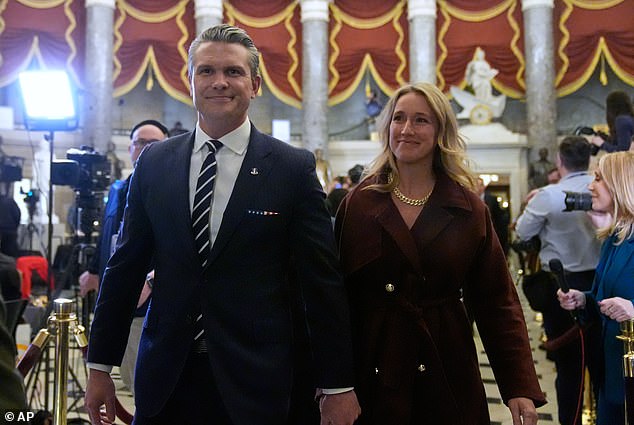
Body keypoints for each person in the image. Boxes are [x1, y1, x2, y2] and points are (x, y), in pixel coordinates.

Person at [85, 24, 359, 425]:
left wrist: (337, 385)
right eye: (207, 71)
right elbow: (125, 268)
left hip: (257, 382)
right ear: (190, 81)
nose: (219, 82)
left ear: (255, 84)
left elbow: (321, 283)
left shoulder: (291, 168)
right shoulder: (155, 163)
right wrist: (100, 365)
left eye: (233, 72)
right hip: (166, 381)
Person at [335, 82, 545, 424]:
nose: (406, 129)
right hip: (373, 366)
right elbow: (335, 299)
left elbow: (497, 303)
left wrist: (518, 386)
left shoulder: (468, 209)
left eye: (421, 120)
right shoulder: (359, 203)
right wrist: (333, 385)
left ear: (441, 132)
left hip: (446, 367)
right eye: (398, 118)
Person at [515, 136, 602, 425]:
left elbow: (523, 234)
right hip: (603, 283)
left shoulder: (549, 196)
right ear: (588, 159)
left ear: (559, 162)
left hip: (562, 286)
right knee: (604, 365)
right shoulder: (604, 189)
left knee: (569, 370)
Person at [79, 119, 169, 396]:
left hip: (152, 302)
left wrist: (153, 281)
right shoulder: (119, 189)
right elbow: (111, 235)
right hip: (119, 298)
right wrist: (94, 271)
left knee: (147, 384)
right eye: (139, 143)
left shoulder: (172, 190)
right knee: (129, 378)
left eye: (153, 143)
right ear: (129, 149)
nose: (144, 148)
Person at [558, 151, 634, 425]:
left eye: (599, 179)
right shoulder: (616, 236)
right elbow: (605, 298)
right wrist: (583, 300)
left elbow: (628, 305)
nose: (591, 185)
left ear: (621, 184)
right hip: (611, 370)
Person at [476, 177, 510, 256]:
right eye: (476, 185)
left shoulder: (492, 199)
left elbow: (499, 218)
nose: (478, 188)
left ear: (484, 186)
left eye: (480, 185)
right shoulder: (470, 199)